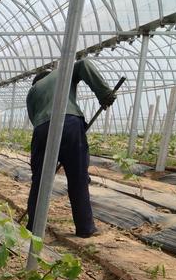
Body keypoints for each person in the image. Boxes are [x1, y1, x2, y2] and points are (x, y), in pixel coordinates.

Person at [26, 59, 116, 238]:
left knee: (40, 179)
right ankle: (85, 228)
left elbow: (34, 118)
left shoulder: (32, 91)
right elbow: (83, 64)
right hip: (69, 123)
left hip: (41, 129)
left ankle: (33, 226)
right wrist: (104, 94)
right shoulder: (62, 73)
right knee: (77, 178)